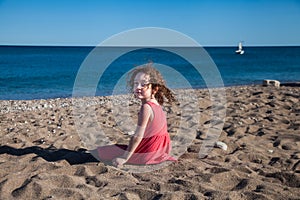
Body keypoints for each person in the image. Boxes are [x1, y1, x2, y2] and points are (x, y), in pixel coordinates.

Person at [92, 63, 177, 168]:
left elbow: (137, 136)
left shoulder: (146, 108)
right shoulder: (157, 104)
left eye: (143, 84)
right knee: (118, 147)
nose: (138, 87)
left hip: (147, 154)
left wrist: (125, 158)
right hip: (159, 151)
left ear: (154, 89)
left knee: (101, 152)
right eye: (136, 83)